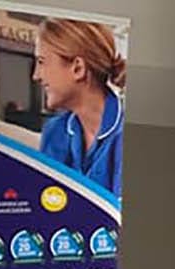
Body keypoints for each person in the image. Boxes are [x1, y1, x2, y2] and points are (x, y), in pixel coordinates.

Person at [33, 18, 125, 195]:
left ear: (78, 68)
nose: (36, 75)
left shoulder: (128, 134)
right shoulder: (54, 131)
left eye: (42, 62)